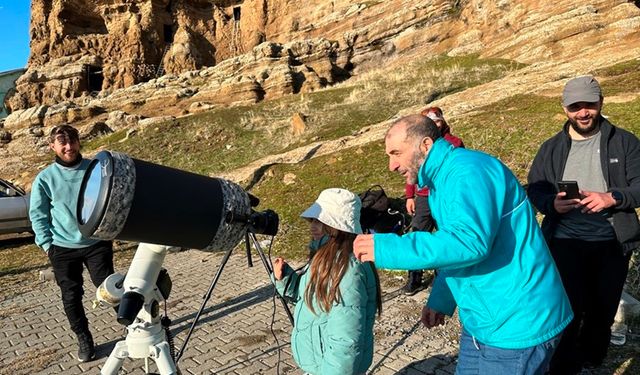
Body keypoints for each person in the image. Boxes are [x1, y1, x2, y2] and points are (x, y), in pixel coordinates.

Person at [353, 114, 572, 374]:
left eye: (396, 153)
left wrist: (386, 248)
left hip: (517, 322)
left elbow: (469, 242)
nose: (392, 165)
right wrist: (441, 299)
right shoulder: (441, 180)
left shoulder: (468, 172)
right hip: (485, 317)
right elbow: (454, 249)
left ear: (425, 145)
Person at [527, 75, 640, 374]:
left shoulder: (625, 142)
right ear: (565, 108)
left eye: (589, 104)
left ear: (601, 103)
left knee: (603, 307)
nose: (583, 112)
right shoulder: (550, 148)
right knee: (567, 307)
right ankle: (563, 363)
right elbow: (535, 189)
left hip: (612, 241)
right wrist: (551, 204)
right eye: (575, 106)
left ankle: (593, 355)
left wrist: (612, 197)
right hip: (564, 241)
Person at [273, 188, 382, 375]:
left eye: (320, 221)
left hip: (332, 368)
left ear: (337, 226)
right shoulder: (323, 256)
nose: (312, 226)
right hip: (322, 362)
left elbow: (345, 341)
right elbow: (310, 297)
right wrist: (286, 279)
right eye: (312, 220)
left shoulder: (347, 270)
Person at [30, 125, 114, 362]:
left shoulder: (96, 168)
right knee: (71, 295)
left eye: (72, 141)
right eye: (62, 143)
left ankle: (131, 324)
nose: (69, 147)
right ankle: (84, 338)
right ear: (52, 146)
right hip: (62, 247)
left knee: (108, 287)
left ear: (78, 142)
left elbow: (111, 198)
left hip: (97, 242)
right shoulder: (45, 178)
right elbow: (38, 215)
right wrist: (47, 245)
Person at [402, 106, 465, 295]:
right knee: (418, 233)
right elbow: (412, 171)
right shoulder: (418, 145)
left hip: (443, 195)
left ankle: (442, 276)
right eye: (430, 122)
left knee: (444, 234)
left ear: (443, 122)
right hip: (422, 197)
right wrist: (409, 196)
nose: (435, 125)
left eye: (437, 121)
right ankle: (414, 277)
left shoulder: (453, 143)